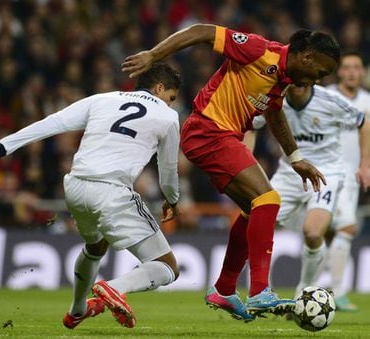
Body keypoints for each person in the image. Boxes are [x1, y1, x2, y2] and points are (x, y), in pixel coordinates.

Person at [122, 24, 340, 321]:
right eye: (320, 72)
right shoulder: (259, 50)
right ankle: (260, 290)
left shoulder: (282, 80)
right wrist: (154, 54)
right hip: (208, 131)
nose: (316, 81)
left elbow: (274, 113)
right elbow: (202, 31)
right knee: (269, 199)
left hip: (221, 138)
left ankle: (224, 289)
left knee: (255, 210)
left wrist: (295, 157)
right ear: (307, 57)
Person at [0, 63, 182, 329]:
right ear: (159, 88)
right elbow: (168, 170)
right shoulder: (167, 116)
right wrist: (173, 199)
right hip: (112, 192)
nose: (171, 105)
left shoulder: (103, 99)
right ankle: (114, 287)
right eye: (171, 98)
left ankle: (77, 310)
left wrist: (1, 148)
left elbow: (53, 122)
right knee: (167, 267)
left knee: (96, 247)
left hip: (76, 187)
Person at [253, 85, 370, 308]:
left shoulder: (330, 100)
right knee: (257, 226)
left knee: (314, 232)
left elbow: (363, 122)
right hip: (289, 174)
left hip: (326, 174)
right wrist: (247, 157)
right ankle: (262, 292)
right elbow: (250, 124)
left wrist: (365, 164)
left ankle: (304, 291)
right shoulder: (276, 99)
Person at [325, 50, 370, 311]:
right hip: (326, 174)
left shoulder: (367, 101)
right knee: (342, 229)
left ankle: (333, 291)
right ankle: (334, 291)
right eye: (347, 67)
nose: (352, 71)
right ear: (339, 71)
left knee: (340, 231)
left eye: (356, 67)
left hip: (352, 177)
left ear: (362, 72)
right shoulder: (327, 96)